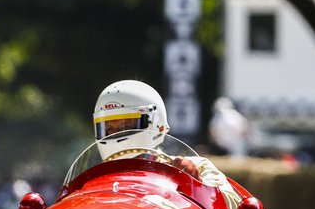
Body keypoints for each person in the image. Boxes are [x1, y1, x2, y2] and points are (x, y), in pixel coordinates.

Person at [93, 79, 223, 187]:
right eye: (109, 129)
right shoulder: (93, 181)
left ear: (155, 122)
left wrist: (198, 184)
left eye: (126, 126)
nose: (115, 134)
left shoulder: (197, 167)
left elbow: (230, 205)